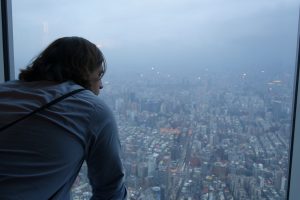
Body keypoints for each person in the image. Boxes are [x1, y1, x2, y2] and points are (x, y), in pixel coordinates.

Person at [0, 36, 127, 199]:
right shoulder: (93, 110)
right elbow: (111, 192)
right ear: (85, 73)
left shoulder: (4, 90)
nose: (101, 84)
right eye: (99, 74)